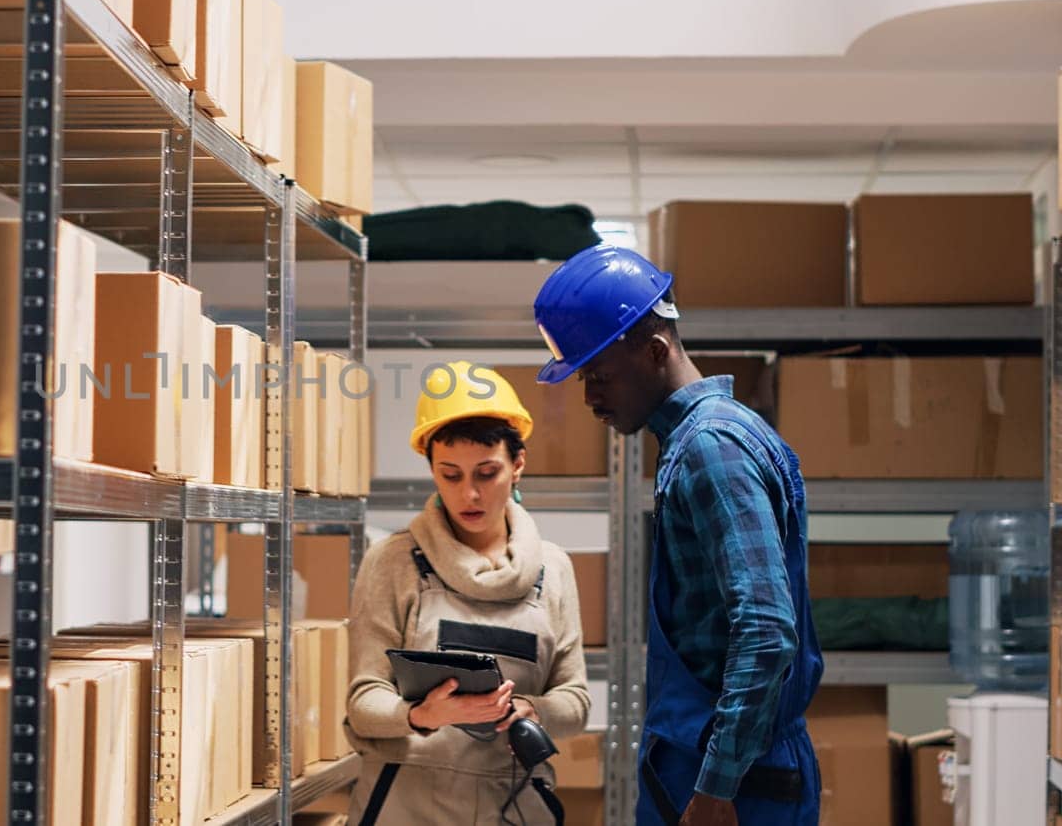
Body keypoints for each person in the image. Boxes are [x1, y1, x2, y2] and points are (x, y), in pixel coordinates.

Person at [533, 245, 823, 826]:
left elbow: (766, 630)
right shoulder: (701, 442)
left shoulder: (711, 450)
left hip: (736, 786)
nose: (590, 398)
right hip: (713, 766)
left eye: (600, 376)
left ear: (656, 350)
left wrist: (716, 788)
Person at [345, 362, 591, 826]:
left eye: (487, 472)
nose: (469, 494)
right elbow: (363, 705)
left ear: (517, 465)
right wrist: (423, 714)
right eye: (451, 475)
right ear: (432, 469)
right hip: (407, 802)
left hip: (514, 801)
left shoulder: (553, 569)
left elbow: (575, 700)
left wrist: (530, 708)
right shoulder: (392, 561)